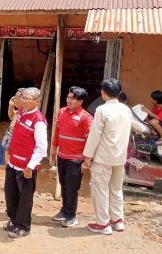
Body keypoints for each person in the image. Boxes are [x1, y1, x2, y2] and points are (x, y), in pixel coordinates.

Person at [82, 79, 132, 235]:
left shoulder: (102, 110)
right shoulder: (126, 110)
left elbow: (94, 135)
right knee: (116, 189)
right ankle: (117, 220)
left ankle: (103, 223)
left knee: (100, 190)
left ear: (103, 93)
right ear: (118, 93)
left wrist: (87, 157)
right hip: (120, 157)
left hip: (104, 157)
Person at [3, 87, 47, 238]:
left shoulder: (39, 121)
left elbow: (41, 148)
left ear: (36, 101)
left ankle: (23, 226)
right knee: (11, 194)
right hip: (13, 162)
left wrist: (30, 166)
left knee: (25, 198)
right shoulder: (22, 112)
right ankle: (14, 220)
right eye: (22, 98)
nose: (22, 101)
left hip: (25, 167)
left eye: (26, 99)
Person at [49, 86, 93, 228]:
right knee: (63, 184)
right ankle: (64, 210)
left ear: (80, 101)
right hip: (62, 156)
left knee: (71, 187)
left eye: (72, 98)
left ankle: (71, 215)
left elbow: (89, 141)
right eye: (68, 97)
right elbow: (57, 133)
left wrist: (86, 161)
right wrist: (53, 151)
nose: (68, 100)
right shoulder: (62, 112)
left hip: (75, 159)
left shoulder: (86, 118)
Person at [2, 88, 24, 162]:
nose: (14, 100)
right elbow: (11, 117)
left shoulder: (26, 113)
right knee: (7, 156)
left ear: (23, 100)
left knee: (12, 161)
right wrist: (11, 106)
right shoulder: (19, 111)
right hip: (11, 136)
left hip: (17, 141)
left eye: (16, 99)